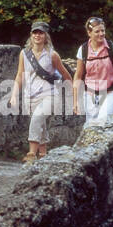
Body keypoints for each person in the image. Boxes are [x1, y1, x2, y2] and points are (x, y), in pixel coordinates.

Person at [10, 20, 74, 163]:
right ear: (31, 35)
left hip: (50, 95)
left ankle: (31, 154)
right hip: (30, 95)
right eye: (35, 33)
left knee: (37, 118)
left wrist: (72, 95)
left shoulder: (53, 55)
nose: (37, 36)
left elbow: (66, 75)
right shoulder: (24, 54)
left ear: (46, 36)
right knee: (40, 124)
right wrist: (14, 94)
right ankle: (43, 155)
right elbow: (20, 75)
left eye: (41, 33)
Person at [73, 16, 113, 123]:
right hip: (90, 94)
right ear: (89, 33)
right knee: (91, 127)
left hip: (110, 92)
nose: (101, 34)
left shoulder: (112, 47)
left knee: (102, 121)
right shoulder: (83, 50)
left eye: (103, 30)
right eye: (97, 31)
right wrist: (75, 101)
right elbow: (78, 76)